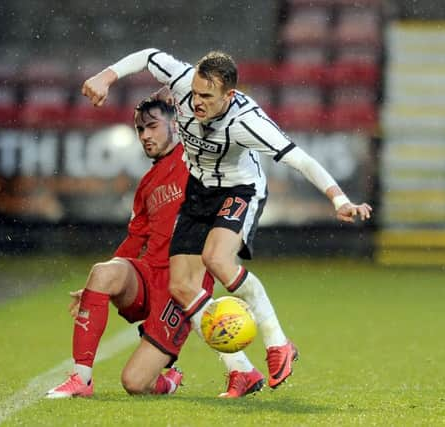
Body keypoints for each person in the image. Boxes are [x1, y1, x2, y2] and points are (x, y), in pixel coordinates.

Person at [82, 49, 373, 392]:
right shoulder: (182, 82)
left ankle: (278, 343)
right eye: (195, 92)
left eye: (207, 96)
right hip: (198, 189)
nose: (196, 102)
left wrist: (339, 199)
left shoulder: (247, 121)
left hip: (240, 189)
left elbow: (300, 159)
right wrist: (106, 75)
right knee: (181, 286)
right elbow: (148, 56)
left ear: (229, 96)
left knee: (216, 259)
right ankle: (242, 369)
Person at [46, 98, 264, 399]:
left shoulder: (197, 158)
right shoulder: (147, 184)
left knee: (135, 383)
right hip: (149, 275)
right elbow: (135, 239)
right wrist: (95, 288)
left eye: (152, 126)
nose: (145, 135)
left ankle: (175, 380)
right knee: (102, 272)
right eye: (140, 129)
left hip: (184, 281)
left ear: (176, 125)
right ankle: (81, 379)